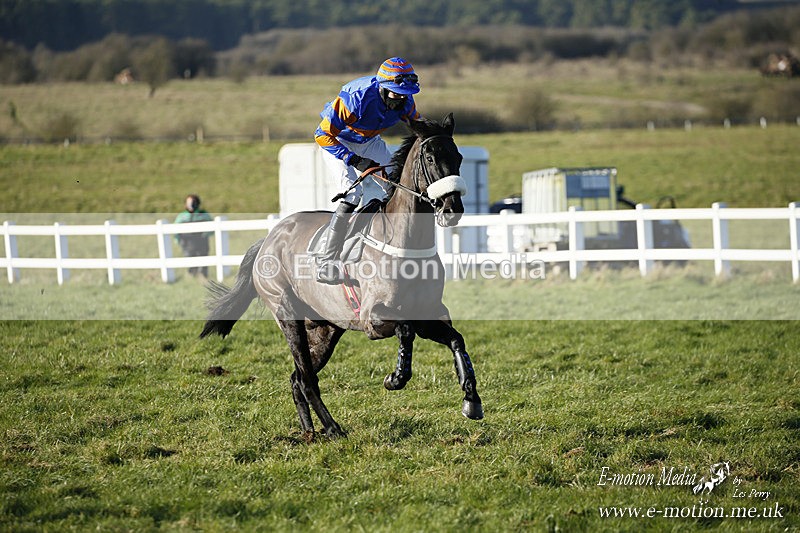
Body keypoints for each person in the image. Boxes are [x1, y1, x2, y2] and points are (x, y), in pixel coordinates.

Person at [313, 57, 422, 285]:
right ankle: (326, 261)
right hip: (338, 141)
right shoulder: (355, 98)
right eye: (396, 94)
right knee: (353, 194)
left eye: (405, 94)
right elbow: (322, 135)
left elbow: (418, 126)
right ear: (382, 88)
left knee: (399, 186)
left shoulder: (405, 99)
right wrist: (354, 159)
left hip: (369, 142)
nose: (401, 99)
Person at [174, 194, 213, 277]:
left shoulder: (204, 215)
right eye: (188, 203)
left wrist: (205, 234)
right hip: (187, 242)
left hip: (201, 241)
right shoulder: (182, 216)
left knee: (203, 258)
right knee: (190, 258)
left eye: (193, 202)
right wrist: (178, 239)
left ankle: (203, 276)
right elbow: (176, 229)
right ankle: (192, 275)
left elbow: (212, 227)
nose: (191, 205)